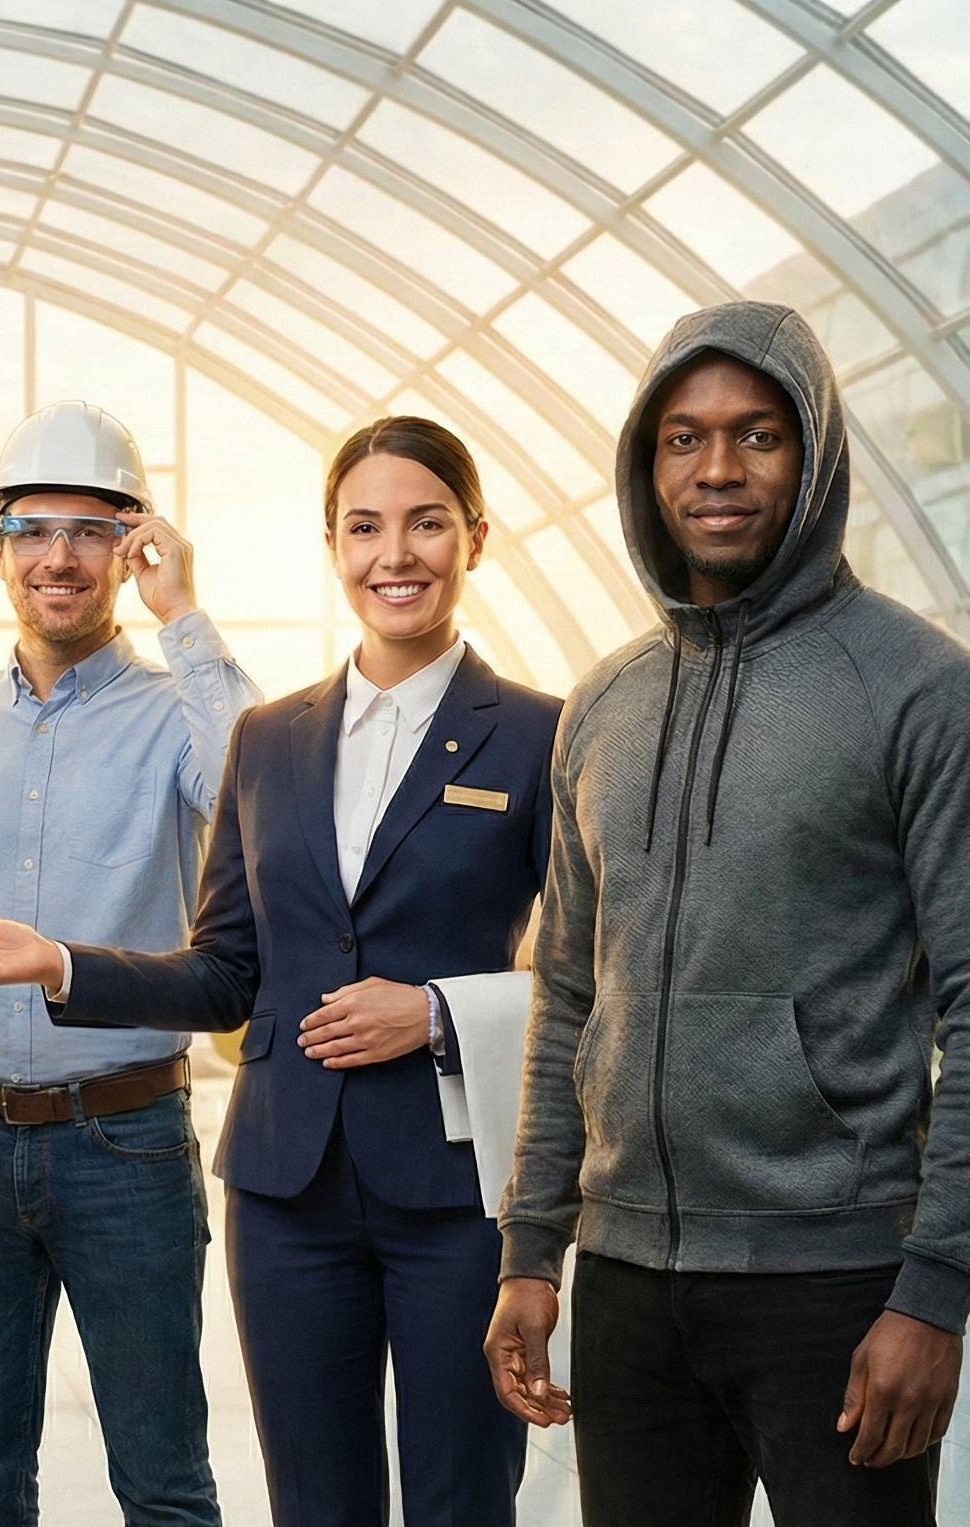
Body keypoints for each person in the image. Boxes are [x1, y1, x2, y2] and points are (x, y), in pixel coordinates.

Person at [0, 416, 555, 1525]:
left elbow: (598, 977)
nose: (392, 555)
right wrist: (63, 964)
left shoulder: (544, 734)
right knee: (312, 1501)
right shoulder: (274, 738)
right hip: (285, 1190)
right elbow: (223, 976)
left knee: (459, 1500)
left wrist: (440, 1010)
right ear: (331, 543)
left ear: (476, 538)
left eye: (425, 524)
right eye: (364, 527)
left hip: (454, 1190)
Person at [482, 301, 970, 1524]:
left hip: (837, 1278)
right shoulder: (604, 705)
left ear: (814, 458)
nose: (716, 470)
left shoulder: (917, 689)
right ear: (646, 464)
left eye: (757, 436)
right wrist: (533, 1253)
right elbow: (569, 1001)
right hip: (632, 1282)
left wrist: (933, 1290)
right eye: (683, 438)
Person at [0, 401, 257, 1525]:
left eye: (89, 530)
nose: (58, 557)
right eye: (32, 530)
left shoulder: (179, 714)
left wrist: (186, 617)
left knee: (164, 1485)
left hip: (123, 1147)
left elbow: (258, 802)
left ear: (132, 546)